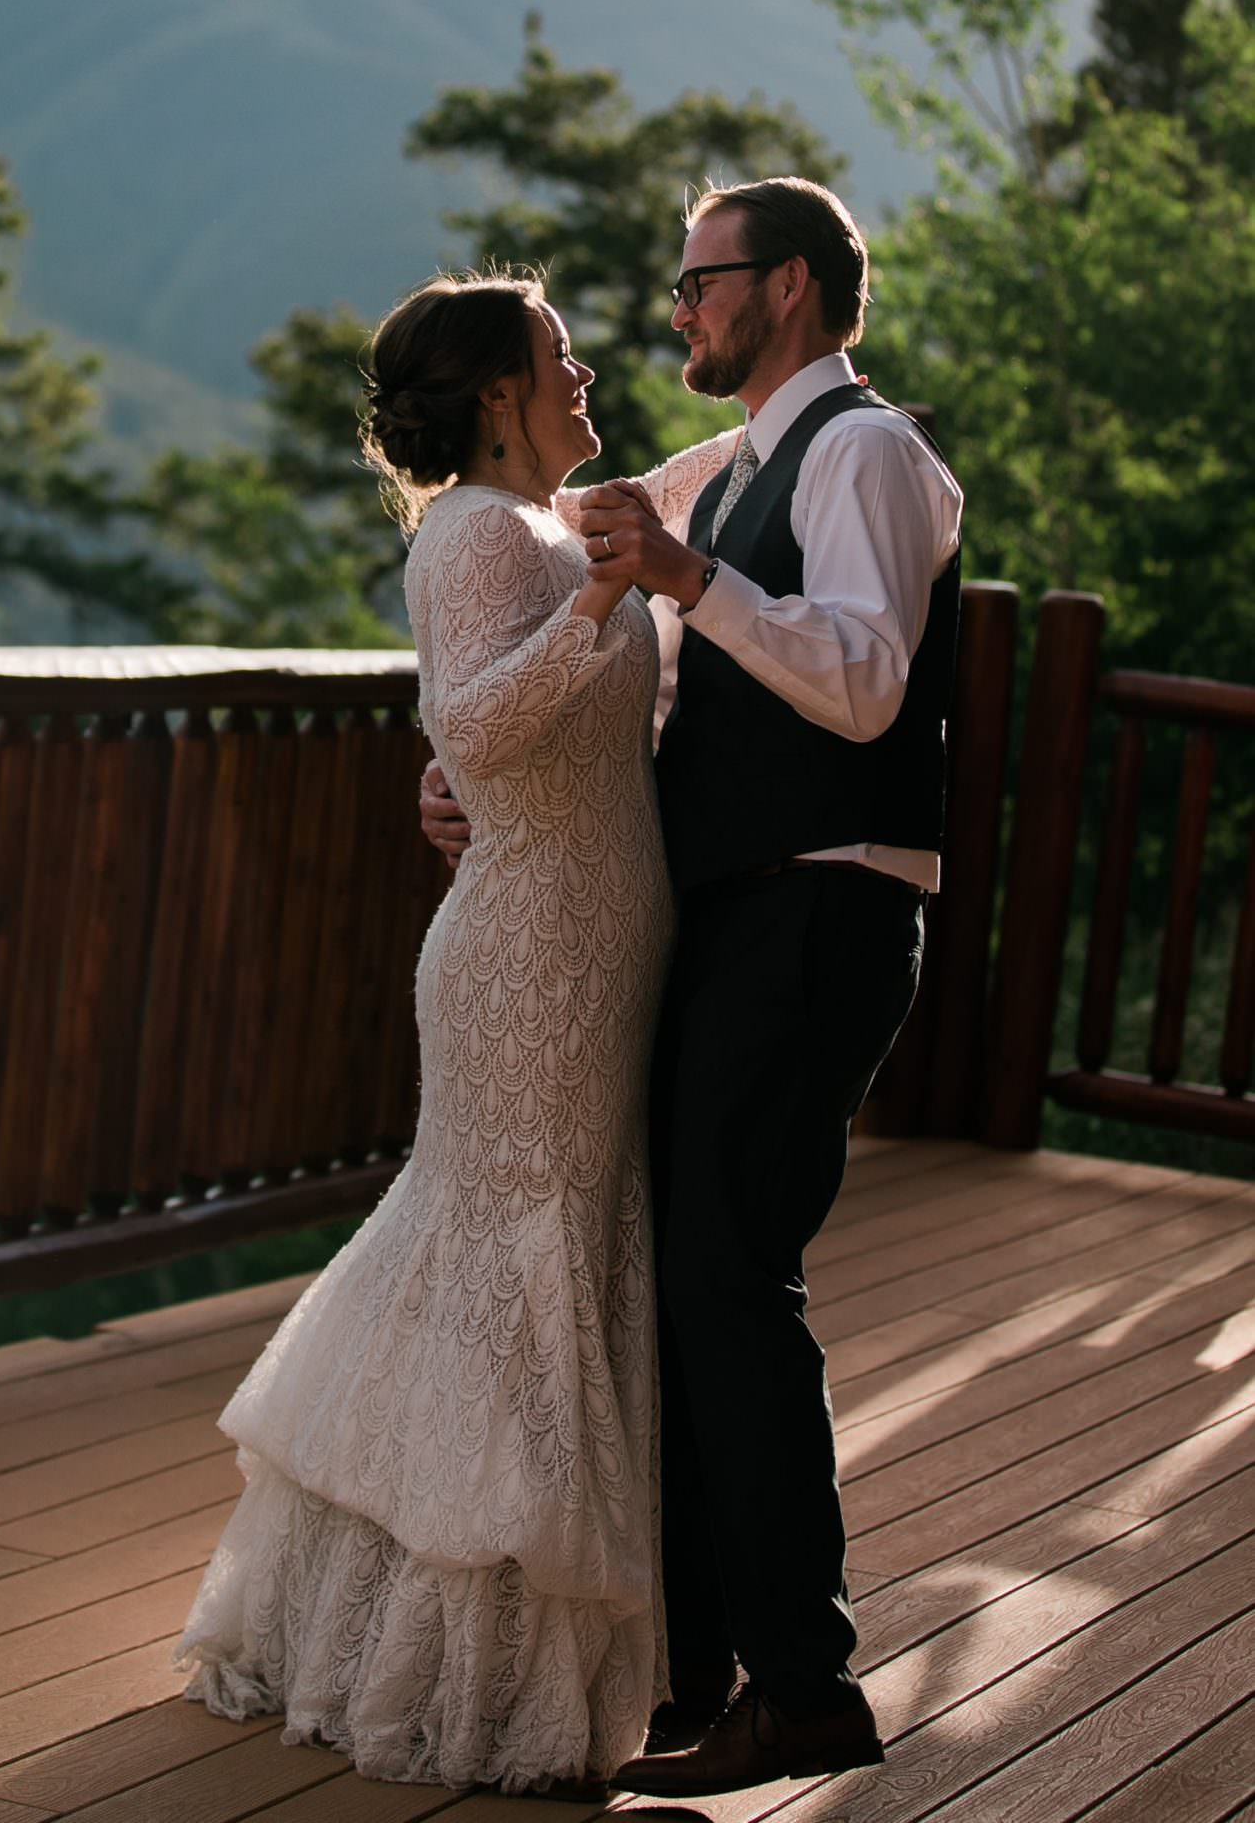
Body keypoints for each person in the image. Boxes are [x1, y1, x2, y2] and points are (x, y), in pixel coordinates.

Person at [421, 178, 963, 1797]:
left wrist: (680, 580)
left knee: (731, 1286)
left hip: (822, 913)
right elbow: (508, 573)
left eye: (702, 284)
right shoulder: (738, 467)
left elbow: (861, 687)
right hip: (734, 917)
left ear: (790, 286)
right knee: (696, 1282)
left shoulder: (863, 453)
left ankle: (804, 1688)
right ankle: (699, 1670)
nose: (677, 314)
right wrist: (453, 773)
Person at [174, 268, 734, 1796]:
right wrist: (610, 604)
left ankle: (452, 1636)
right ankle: (447, 1670)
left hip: (599, 945)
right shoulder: (478, 535)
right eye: (561, 356)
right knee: (507, 1271)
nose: (588, 374)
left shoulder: (551, 529)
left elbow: (567, 715)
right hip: (527, 959)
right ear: (498, 392)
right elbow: (473, 725)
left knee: (540, 1262)